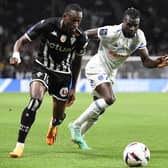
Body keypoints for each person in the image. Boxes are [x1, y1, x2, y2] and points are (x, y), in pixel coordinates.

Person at [69, 7, 168, 150]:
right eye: (129, 24)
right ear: (123, 22)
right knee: (110, 99)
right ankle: (76, 125)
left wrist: (157, 63)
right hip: (97, 66)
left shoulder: (139, 37)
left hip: (110, 73)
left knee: (99, 110)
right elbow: (86, 34)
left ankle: (79, 137)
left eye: (136, 25)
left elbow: (145, 61)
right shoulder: (111, 31)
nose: (132, 28)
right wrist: (74, 44)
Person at [9, 3, 88, 158]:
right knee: (34, 102)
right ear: (65, 17)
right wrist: (16, 54)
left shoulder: (81, 37)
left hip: (63, 75)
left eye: (79, 21)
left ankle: (54, 124)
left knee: (58, 117)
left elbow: (77, 63)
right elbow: (21, 41)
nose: (76, 25)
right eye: (73, 20)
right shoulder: (48, 24)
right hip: (42, 67)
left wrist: (73, 88)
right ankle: (19, 146)